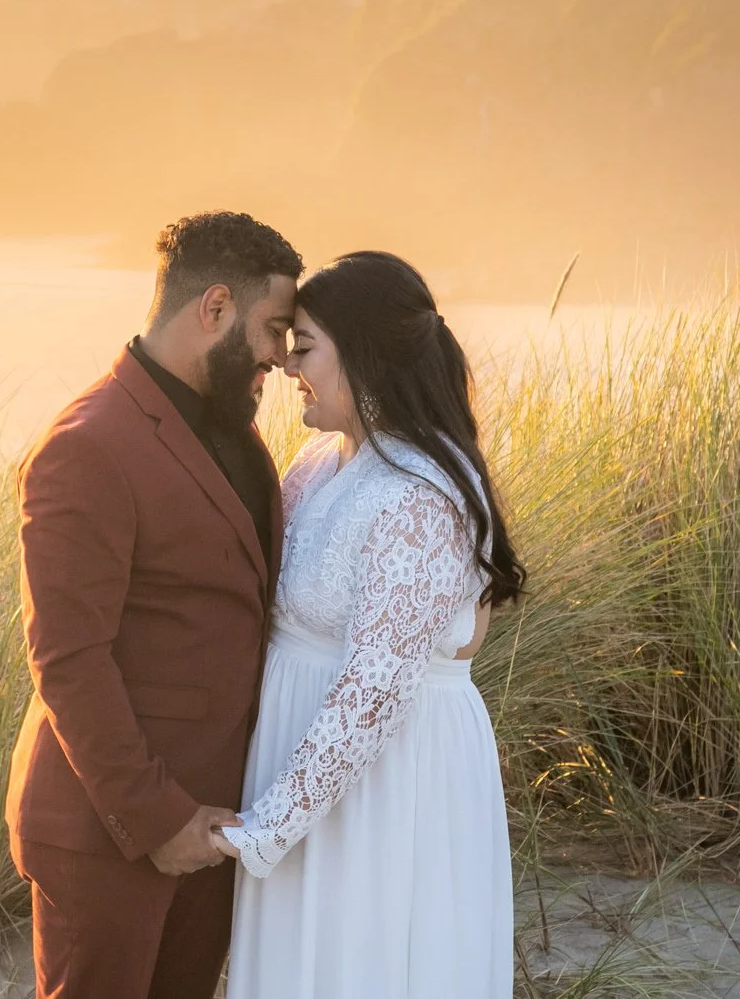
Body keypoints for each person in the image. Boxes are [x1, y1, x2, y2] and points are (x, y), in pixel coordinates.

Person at [5, 210, 303, 999]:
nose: (281, 353)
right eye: (273, 328)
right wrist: (158, 819)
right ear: (214, 309)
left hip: (211, 831)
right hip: (112, 836)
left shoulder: (236, 433)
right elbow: (68, 662)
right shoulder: (87, 445)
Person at [215, 250, 524, 998]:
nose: (290, 363)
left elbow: (375, 686)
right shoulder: (319, 461)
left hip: (383, 787)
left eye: (307, 345)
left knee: (365, 963)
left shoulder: (421, 492)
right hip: (305, 775)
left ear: (365, 356)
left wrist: (267, 829)